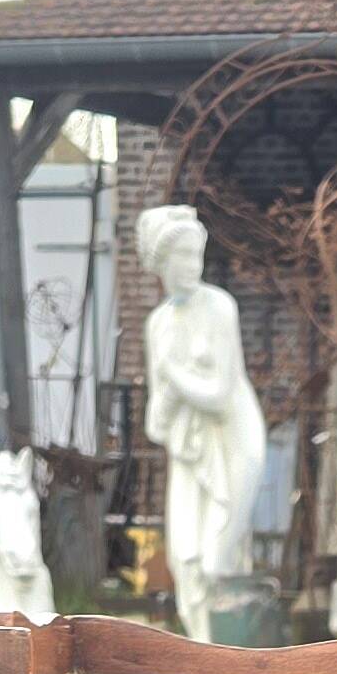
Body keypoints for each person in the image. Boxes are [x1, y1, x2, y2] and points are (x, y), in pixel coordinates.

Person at [135, 204, 266, 641]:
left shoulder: (219, 307)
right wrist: (170, 392)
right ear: (160, 262)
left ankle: (236, 661)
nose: (192, 266)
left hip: (233, 440)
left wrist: (174, 377)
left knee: (218, 559)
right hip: (188, 447)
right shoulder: (158, 325)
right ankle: (201, 654)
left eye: (197, 256)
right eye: (182, 256)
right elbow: (155, 424)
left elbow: (219, 395)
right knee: (184, 561)